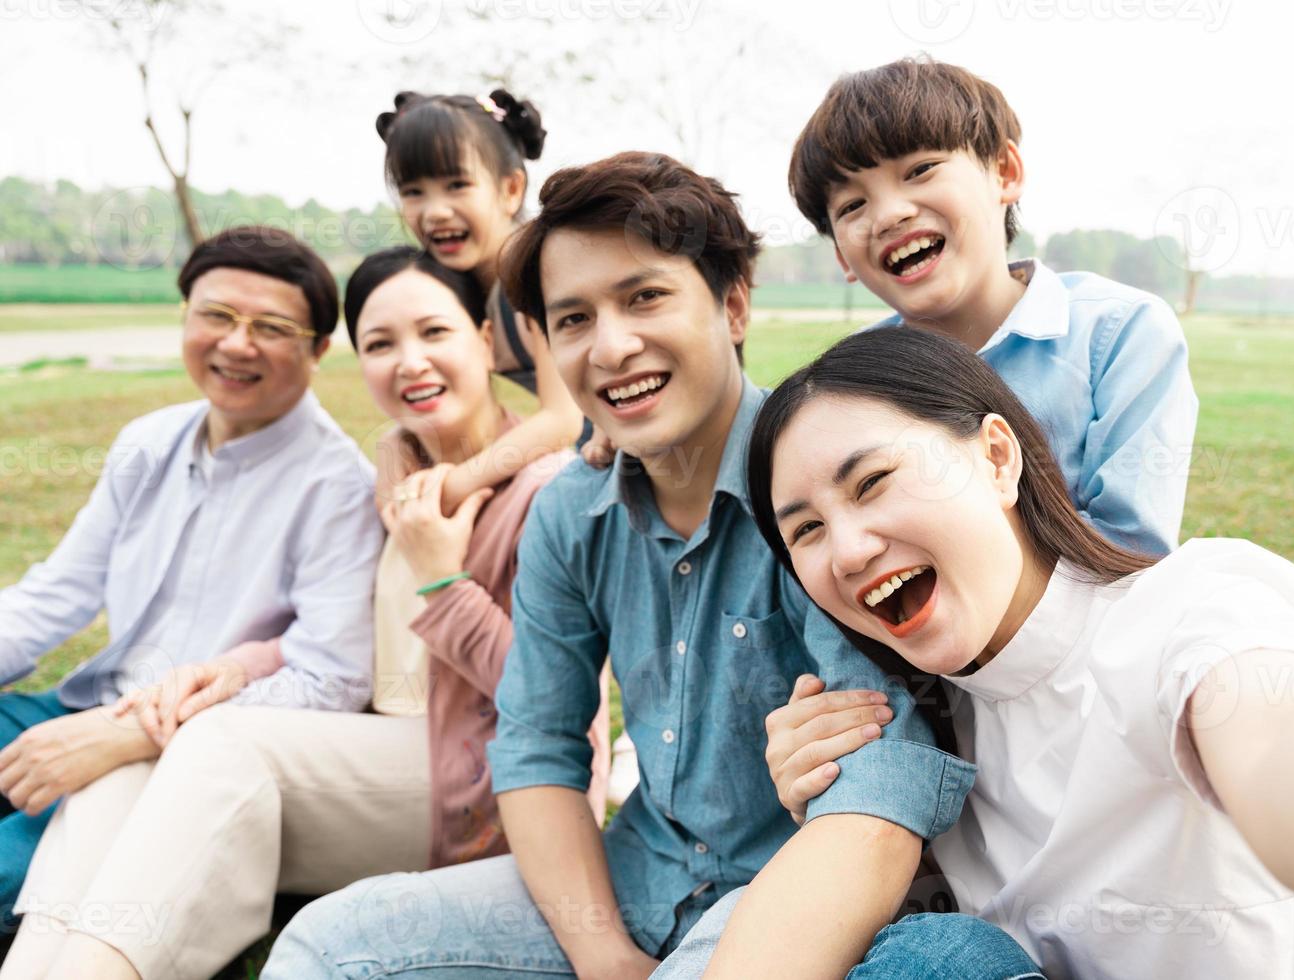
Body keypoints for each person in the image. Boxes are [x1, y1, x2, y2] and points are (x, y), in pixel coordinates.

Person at [262, 152, 1036, 980]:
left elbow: (877, 781)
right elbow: (538, 744)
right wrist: (599, 952)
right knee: (327, 943)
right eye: (573, 319)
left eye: (645, 297)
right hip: (637, 873)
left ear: (732, 304)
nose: (612, 347)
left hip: (788, 887)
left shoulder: (814, 495)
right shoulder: (572, 509)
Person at [745, 326, 1294, 976]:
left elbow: (1291, 758)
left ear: (998, 458)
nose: (846, 551)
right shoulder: (927, 726)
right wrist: (836, 799)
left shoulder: (1192, 609)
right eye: (805, 530)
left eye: (872, 483)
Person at [1, 248, 612, 980]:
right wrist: (230, 667)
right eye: (383, 344)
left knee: (212, 743)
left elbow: (555, 700)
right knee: (126, 772)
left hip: (495, 790)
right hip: (373, 765)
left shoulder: (548, 492)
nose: (410, 362)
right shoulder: (405, 472)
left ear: (484, 341)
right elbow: (352, 649)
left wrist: (442, 579)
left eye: (434, 333)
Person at [0, 226, 380, 929]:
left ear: (319, 349)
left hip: (178, 756)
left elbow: (333, 678)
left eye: (271, 327)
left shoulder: (339, 489)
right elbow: (58, 594)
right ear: (186, 318)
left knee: (10, 875)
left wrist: (135, 735)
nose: (236, 345)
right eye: (216, 316)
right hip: (79, 704)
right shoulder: (146, 441)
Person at [789, 56, 1198, 556]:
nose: (890, 213)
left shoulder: (1118, 335)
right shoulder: (845, 386)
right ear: (840, 255)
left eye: (920, 170)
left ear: (1004, 172)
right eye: (852, 206)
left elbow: (1131, 547)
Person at [373, 89, 586, 513]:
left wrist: (450, 489)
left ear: (510, 189)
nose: (435, 211)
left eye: (457, 185)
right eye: (414, 192)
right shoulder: (457, 283)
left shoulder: (538, 268)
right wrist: (399, 442)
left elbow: (561, 420)